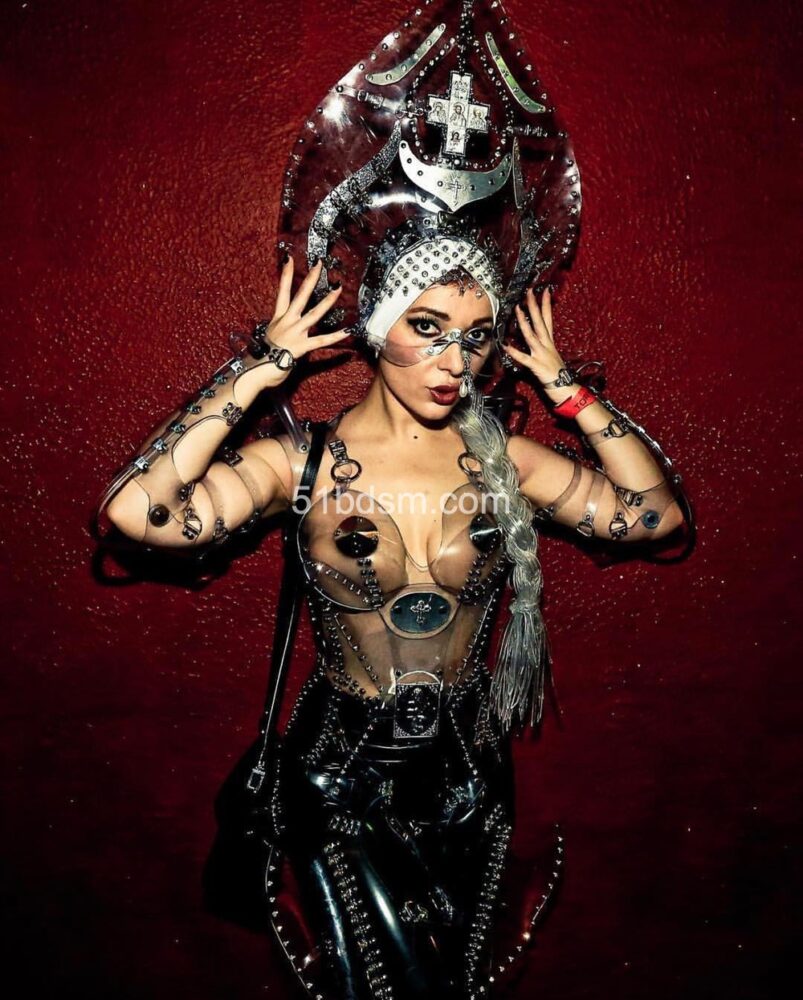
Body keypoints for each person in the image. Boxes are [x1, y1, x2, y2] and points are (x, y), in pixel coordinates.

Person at [96, 2, 692, 996]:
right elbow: (136, 516)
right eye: (426, 327)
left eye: (473, 336)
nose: (454, 361)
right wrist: (259, 368)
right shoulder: (303, 463)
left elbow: (655, 518)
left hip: (467, 777)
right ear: (375, 326)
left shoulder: (504, 463)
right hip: (338, 779)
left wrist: (566, 390)